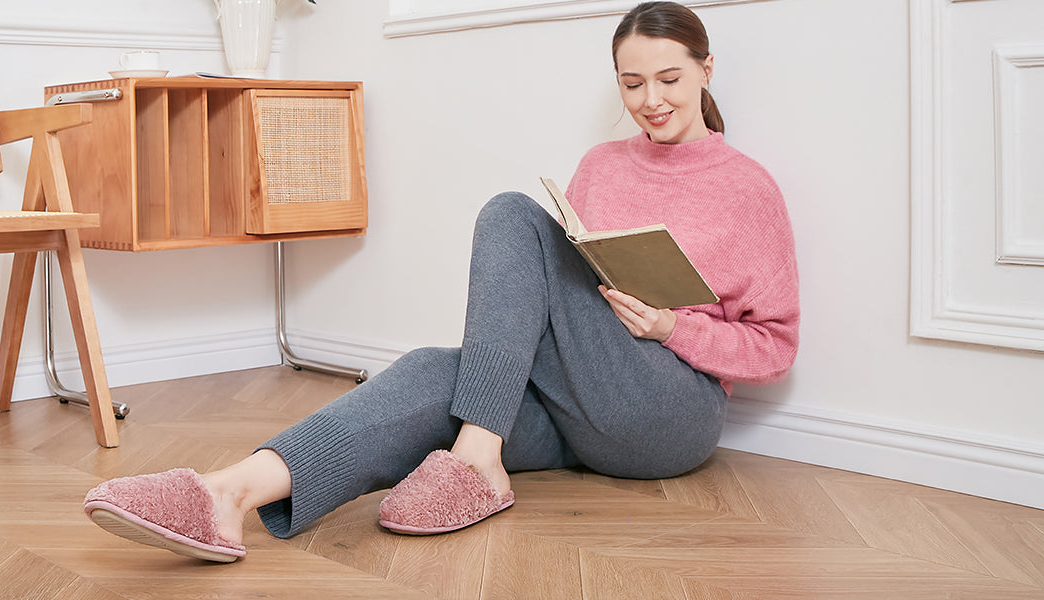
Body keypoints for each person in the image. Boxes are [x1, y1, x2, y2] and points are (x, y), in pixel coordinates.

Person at [81, 1, 800, 563]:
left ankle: (477, 462)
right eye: (632, 83)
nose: (651, 100)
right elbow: (557, 296)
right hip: (579, 407)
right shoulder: (602, 165)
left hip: (669, 414)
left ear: (706, 70)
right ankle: (226, 495)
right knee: (434, 373)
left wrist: (673, 325)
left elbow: (775, 347)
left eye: (669, 80)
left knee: (511, 214)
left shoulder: (747, 188)